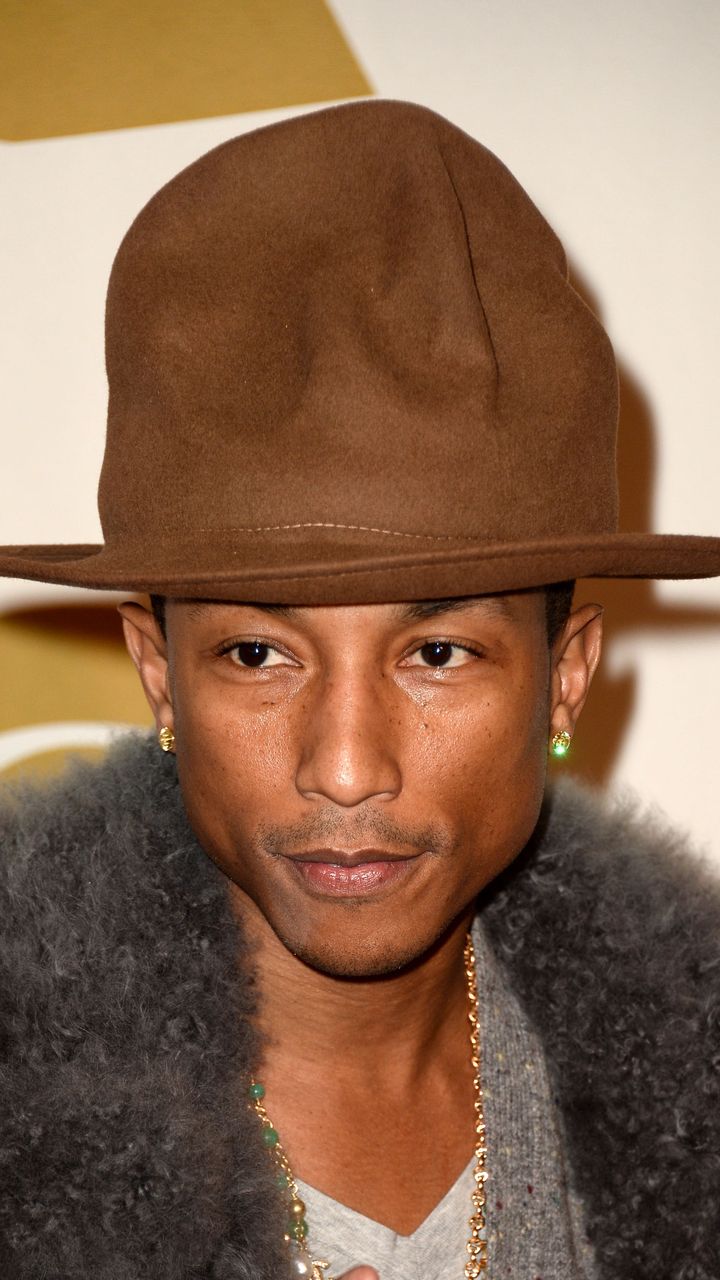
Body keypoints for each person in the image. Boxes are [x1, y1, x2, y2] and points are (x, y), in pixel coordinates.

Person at [0, 100, 719, 1280]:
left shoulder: (692, 1088)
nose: (344, 764)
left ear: (566, 678)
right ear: (155, 673)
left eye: (435, 653)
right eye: (256, 655)